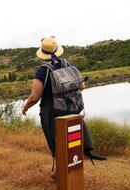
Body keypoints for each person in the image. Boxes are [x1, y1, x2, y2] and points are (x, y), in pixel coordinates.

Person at [22, 36, 106, 179]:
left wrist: (25, 107)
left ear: (42, 53)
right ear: (57, 49)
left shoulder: (43, 70)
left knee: (55, 140)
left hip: (52, 111)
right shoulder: (68, 64)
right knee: (73, 139)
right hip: (72, 110)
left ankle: (59, 172)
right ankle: (73, 165)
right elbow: (82, 86)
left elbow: (35, 96)